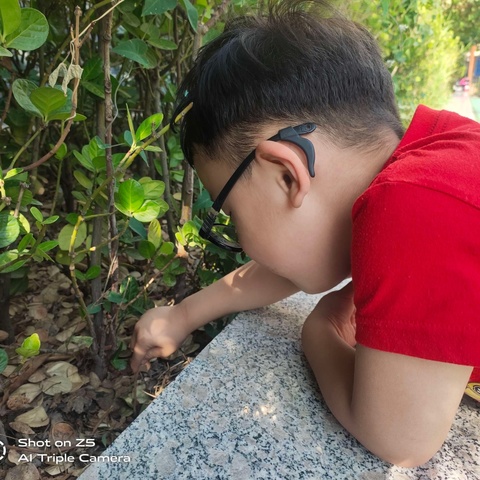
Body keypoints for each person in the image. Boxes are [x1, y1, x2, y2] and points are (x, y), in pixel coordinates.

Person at [130, 0, 480, 467]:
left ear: (289, 175)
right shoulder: (439, 153)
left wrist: (321, 329)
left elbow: (400, 437)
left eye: (230, 211)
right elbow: (299, 256)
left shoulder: (417, 208)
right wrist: (183, 315)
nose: (237, 230)